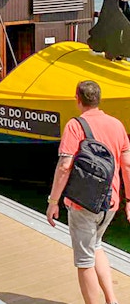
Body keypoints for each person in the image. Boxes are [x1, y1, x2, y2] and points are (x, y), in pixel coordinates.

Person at [46, 80, 130, 304]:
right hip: (110, 202)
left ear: (78, 99)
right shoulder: (117, 125)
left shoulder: (75, 126)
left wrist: (53, 201)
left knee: (84, 261)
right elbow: (127, 165)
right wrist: (129, 200)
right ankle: (112, 300)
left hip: (83, 203)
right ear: (99, 99)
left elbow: (65, 166)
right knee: (96, 245)